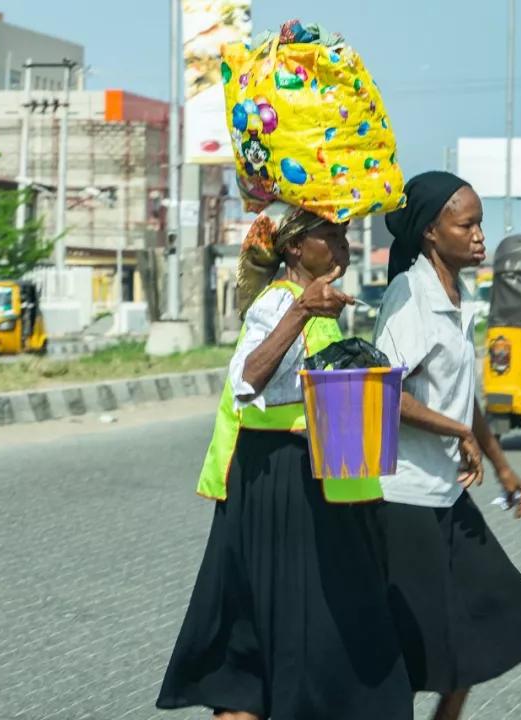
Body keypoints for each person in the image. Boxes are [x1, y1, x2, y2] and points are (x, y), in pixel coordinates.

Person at [156, 203, 413, 720]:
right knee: (279, 627)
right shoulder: (280, 302)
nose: (341, 246)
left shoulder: (321, 306)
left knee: (289, 631)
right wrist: (300, 313)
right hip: (276, 481)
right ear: (296, 248)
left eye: (344, 236)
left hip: (309, 479)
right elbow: (247, 378)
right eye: (330, 236)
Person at [372, 171, 521, 720]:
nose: (480, 235)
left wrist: (503, 465)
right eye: (468, 224)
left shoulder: (456, 295)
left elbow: (465, 397)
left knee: (488, 626)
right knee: (415, 654)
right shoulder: (409, 295)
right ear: (433, 232)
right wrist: (456, 433)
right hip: (403, 498)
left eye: (480, 223)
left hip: (446, 497)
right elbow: (382, 393)